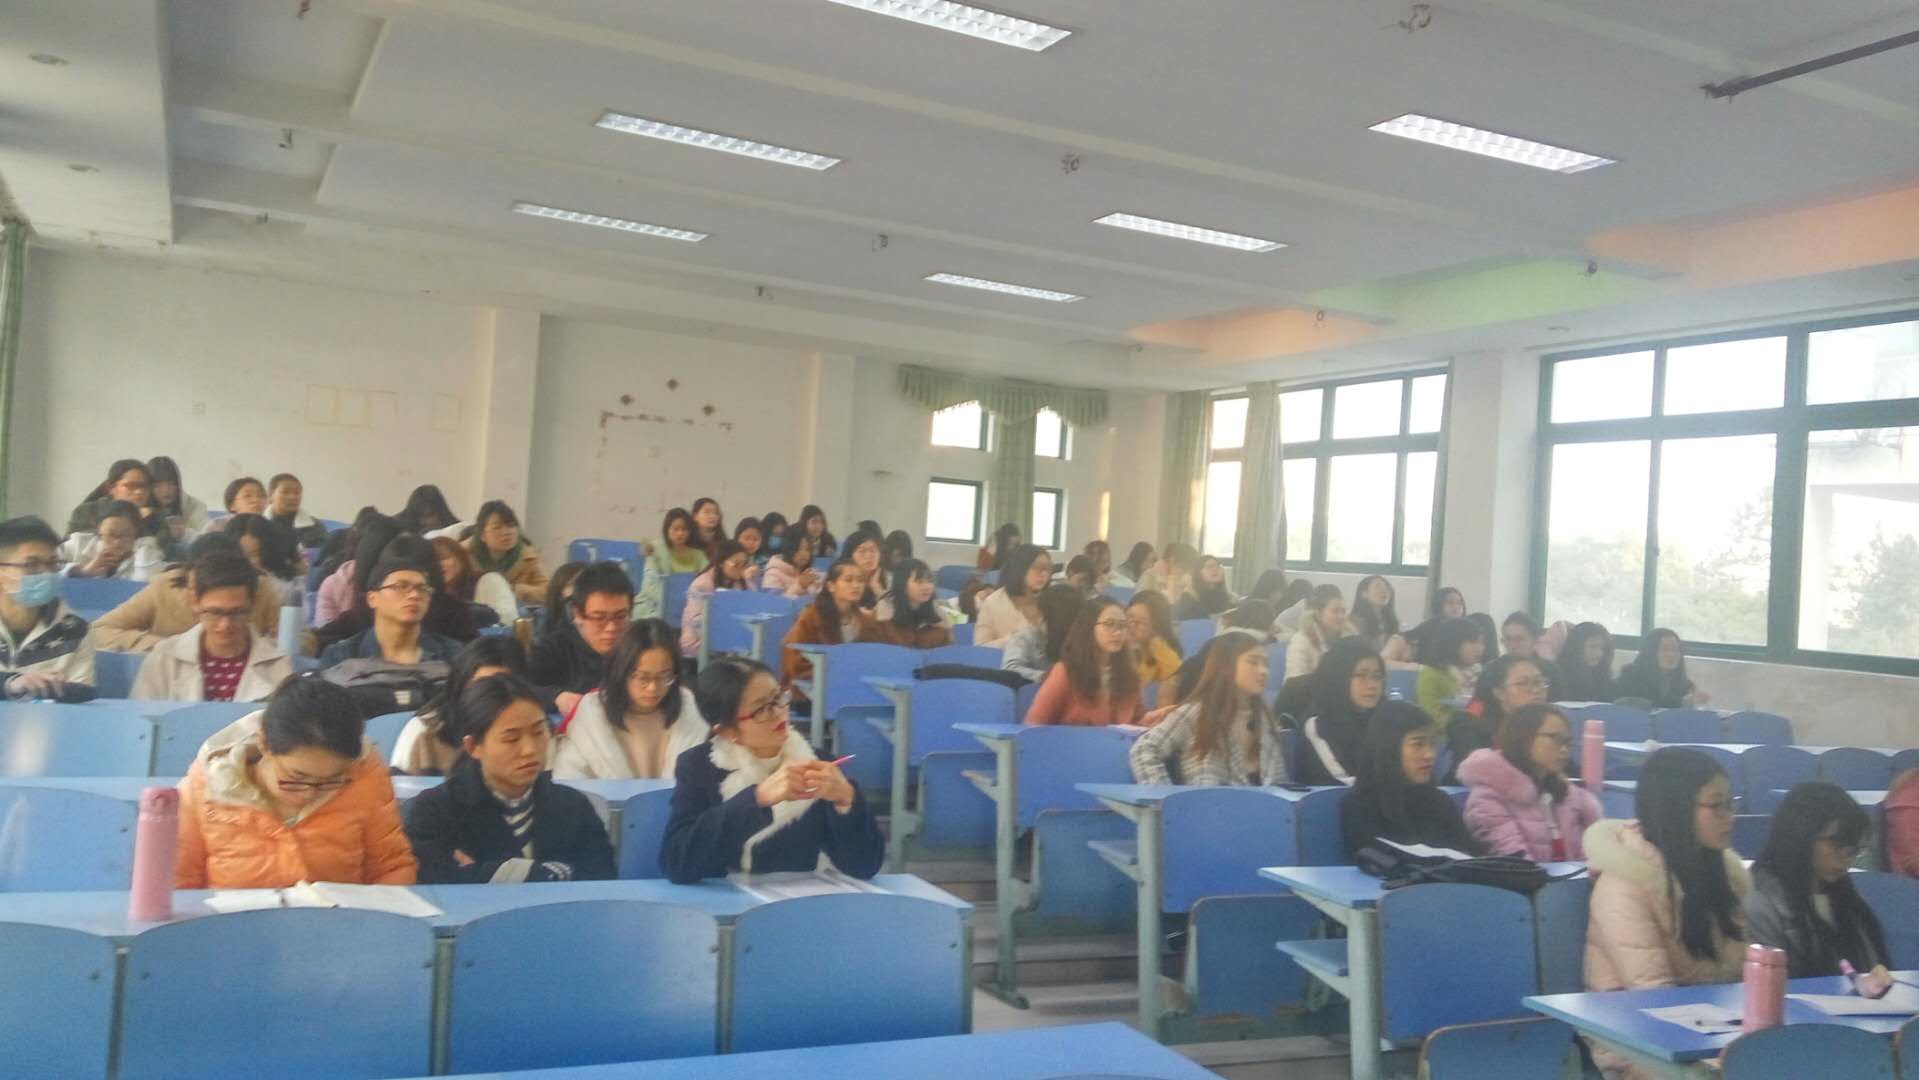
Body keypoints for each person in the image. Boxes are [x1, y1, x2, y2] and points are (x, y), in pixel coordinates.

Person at [1584, 747, 1748, 1076]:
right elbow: (1654, 996)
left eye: (1731, 804)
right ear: (1675, 808)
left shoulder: (1720, 876)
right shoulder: (1623, 884)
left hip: (1710, 1035)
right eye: (1716, 806)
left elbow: (1740, 977)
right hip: (1637, 1043)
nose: (1729, 816)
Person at [175, 675, 416, 888]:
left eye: (331, 781)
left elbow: (391, 867)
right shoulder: (206, 787)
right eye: (295, 778)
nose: (309, 793)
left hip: (338, 921)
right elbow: (179, 880)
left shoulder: (365, 779)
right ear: (264, 744)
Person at [660, 657, 883, 883]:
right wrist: (757, 799)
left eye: (778, 698)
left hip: (799, 897)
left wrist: (847, 800)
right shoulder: (698, 766)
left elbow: (865, 867)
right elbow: (677, 862)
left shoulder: (817, 763)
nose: (778, 712)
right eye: (761, 709)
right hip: (726, 898)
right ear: (727, 731)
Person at [404, 674, 616, 884]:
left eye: (538, 732)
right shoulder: (435, 811)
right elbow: (432, 883)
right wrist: (554, 873)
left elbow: (602, 879)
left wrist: (485, 874)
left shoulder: (573, 806)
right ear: (473, 746)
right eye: (512, 739)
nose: (529, 750)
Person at [1744, 782, 1890, 979]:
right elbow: (1767, 985)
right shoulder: (1759, 903)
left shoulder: (1848, 899)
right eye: (1837, 844)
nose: (1847, 857)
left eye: (1854, 848)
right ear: (1800, 837)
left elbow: (1872, 965)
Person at [553, 619, 706, 780]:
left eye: (663, 677)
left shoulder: (688, 710)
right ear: (622, 672)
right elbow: (570, 776)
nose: (652, 688)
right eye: (642, 678)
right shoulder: (593, 714)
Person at [131, 550, 292, 702]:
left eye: (237, 613)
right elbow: (140, 716)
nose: (225, 625)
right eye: (215, 613)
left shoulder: (278, 665)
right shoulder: (163, 659)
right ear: (195, 602)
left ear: (254, 604)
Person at [1129, 634, 1289, 786]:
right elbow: (1144, 749)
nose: (1263, 671)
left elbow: (1279, 782)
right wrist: (1163, 795)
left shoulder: (1265, 719)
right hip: (1208, 805)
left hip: (1263, 805)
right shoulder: (1196, 713)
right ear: (1226, 667)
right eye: (1253, 662)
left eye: (1266, 664)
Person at [90, 532, 281, 652]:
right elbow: (100, 630)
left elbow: (292, 642)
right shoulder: (164, 587)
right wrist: (162, 646)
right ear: (188, 571)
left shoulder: (262, 589)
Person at [1458, 704, 1602, 861]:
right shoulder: (1487, 800)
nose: (1564, 749)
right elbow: (1518, 863)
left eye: (1567, 742)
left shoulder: (1568, 794)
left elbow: (1594, 856)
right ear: (1523, 738)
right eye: (1555, 739)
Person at [1340, 701, 1482, 859]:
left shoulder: (1440, 802)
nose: (1430, 754)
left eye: (1432, 744)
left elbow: (1468, 857)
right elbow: (1372, 863)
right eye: (1418, 744)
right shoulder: (1359, 806)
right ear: (1389, 748)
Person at [390, 637, 533, 775]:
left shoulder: (536, 733)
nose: (487, 698)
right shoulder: (422, 733)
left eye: (498, 689)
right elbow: (398, 789)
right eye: (479, 687)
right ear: (460, 687)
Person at [0, 516, 97, 701]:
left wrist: (48, 689)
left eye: (52, 564)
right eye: (31, 565)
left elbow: (82, 693)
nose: (46, 573)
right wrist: (11, 683)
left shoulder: (74, 629)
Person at [316, 552, 461, 670]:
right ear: (372, 599)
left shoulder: (453, 654)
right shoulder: (341, 657)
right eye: (401, 587)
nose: (415, 595)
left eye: (422, 589)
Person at [1025, 597, 1143, 727]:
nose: (1118, 632)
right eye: (1109, 624)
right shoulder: (1066, 672)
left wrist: (1149, 721)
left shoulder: (1129, 674)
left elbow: (1135, 721)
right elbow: (1034, 724)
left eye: (1123, 625)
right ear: (1089, 627)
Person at [529, 561, 634, 703]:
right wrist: (556, 697)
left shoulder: (640, 647)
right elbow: (515, 686)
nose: (611, 628)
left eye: (620, 617)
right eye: (599, 618)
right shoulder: (553, 649)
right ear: (577, 614)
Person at [1296, 638, 1385, 786]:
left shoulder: (1386, 718)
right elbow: (1343, 782)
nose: (1372, 685)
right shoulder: (1319, 724)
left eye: (1377, 676)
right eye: (1361, 675)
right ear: (1340, 677)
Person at [1449, 654, 1551, 775]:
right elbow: (1478, 769)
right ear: (1499, 692)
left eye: (1539, 682)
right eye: (1523, 683)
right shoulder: (1468, 725)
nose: (1536, 690)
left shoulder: (1550, 723)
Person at [781, 561, 867, 691]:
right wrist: (836, 675)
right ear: (831, 586)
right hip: (815, 687)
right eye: (848, 580)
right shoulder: (811, 616)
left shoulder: (864, 619)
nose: (856, 585)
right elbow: (794, 657)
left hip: (852, 685)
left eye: (860, 580)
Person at [680, 540, 755, 658]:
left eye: (745, 563)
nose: (741, 568)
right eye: (736, 564)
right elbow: (697, 624)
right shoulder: (701, 584)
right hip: (699, 642)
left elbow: (754, 607)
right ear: (721, 563)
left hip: (730, 641)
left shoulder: (744, 583)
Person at [59, 499, 165, 581]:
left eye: (125, 535)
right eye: (111, 534)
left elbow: (145, 584)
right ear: (99, 530)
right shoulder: (79, 544)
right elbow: (50, 572)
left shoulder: (146, 551)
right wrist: (83, 572)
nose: (117, 542)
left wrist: (144, 549)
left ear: (136, 533)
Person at [466, 500, 548, 606]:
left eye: (511, 525)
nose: (506, 532)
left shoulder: (529, 557)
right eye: (497, 527)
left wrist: (517, 590)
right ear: (482, 535)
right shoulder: (463, 554)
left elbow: (548, 591)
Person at [66, 459, 167, 544]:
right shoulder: (87, 511)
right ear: (111, 488)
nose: (139, 492)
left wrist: (145, 522)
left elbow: (165, 547)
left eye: (144, 486)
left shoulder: (155, 517)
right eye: (131, 486)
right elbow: (73, 544)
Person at [1001, 585, 1087, 683]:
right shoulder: (1025, 637)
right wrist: (1044, 676)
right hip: (1034, 689)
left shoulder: (1082, 639)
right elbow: (1009, 669)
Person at [863, 559, 951, 649]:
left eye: (930, 581)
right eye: (919, 581)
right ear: (902, 584)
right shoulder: (885, 611)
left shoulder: (935, 610)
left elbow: (947, 644)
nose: (927, 587)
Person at [974, 543, 1050, 647]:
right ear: (1020, 568)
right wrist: (1015, 639)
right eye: (1037, 567)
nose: (1043, 574)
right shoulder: (993, 602)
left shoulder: (1052, 600)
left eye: (1047, 569)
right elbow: (980, 648)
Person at [1413, 617, 1483, 728]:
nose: (1480, 648)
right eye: (1473, 642)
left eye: (1481, 642)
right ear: (1454, 643)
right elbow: (1431, 717)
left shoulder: (1478, 673)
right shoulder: (1431, 674)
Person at [433, 536, 517, 626]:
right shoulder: (430, 593)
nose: (439, 565)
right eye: (432, 561)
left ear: (460, 558)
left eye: (443, 558)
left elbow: (508, 619)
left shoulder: (489, 580)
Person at [1617, 628, 1711, 708]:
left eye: (1675, 649)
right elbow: (1648, 706)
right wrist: (1682, 703)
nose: (1671, 655)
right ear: (1650, 652)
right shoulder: (1630, 676)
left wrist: (1693, 702)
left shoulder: (1686, 686)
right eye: (1665, 649)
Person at [1284, 584, 1352, 681]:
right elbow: (1294, 684)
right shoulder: (1301, 641)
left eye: (1343, 611)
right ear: (1318, 614)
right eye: (1335, 611)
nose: (1341, 616)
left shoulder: (1350, 638)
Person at [1127, 590, 1182, 706]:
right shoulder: (1114, 642)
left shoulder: (1160, 650)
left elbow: (1176, 677)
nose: (1132, 625)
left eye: (1141, 622)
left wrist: (1156, 642)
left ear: (1157, 626)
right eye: (1129, 617)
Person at [224, 513, 303, 592]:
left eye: (255, 554)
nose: (249, 562)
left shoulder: (287, 582)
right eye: (243, 556)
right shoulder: (225, 584)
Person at [147, 456, 210, 542]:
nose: (166, 490)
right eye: (157, 486)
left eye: (171, 484)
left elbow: (206, 533)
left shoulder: (193, 506)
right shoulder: (141, 510)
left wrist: (184, 533)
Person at [1350, 575, 1408, 660]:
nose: (1384, 590)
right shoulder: (1355, 621)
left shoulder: (1390, 621)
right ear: (1364, 594)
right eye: (1378, 586)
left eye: (1387, 587)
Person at [1557, 622, 1618, 703]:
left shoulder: (1603, 675)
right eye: (1593, 647)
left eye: (1602, 648)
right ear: (1576, 647)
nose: (1599, 653)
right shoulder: (1560, 675)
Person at [264, 473, 328, 548]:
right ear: (270, 496)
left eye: (297, 493)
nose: (292, 497)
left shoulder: (314, 526)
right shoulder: (258, 524)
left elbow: (324, 552)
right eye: (285, 492)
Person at [1176, 555, 1236, 620]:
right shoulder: (1189, 596)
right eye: (1209, 566)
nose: (1215, 569)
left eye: (1218, 566)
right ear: (1199, 572)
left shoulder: (1231, 598)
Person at [762, 533, 821, 598]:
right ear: (788, 549)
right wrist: (800, 586)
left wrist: (817, 588)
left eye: (808, 549)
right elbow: (773, 602)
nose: (804, 553)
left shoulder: (808, 571)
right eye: (799, 548)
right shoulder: (773, 573)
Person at [839, 530, 884, 609]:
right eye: (862, 551)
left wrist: (877, 589)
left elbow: (892, 614)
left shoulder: (887, 580)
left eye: (873, 550)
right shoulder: (842, 581)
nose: (869, 556)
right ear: (850, 556)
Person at [540, 561, 588, 633]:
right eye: (573, 584)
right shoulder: (546, 618)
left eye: (584, 582)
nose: (580, 588)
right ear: (559, 592)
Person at [690, 497, 726, 561]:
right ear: (695, 516)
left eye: (716, 513)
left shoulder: (723, 543)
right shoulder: (689, 541)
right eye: (707, 512)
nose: (712, 516)